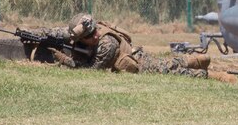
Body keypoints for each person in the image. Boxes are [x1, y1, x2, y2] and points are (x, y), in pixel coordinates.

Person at [51, 13, 215, 78]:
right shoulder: (88, 31)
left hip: (138, 64)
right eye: (90, 35)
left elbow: (93, 71)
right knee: (168, 64)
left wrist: (68, 61)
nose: (96, 35)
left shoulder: (106, 43)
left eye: (94, 32)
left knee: (173, 72)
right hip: (137, 56)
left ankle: (210, 75)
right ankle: (196, 60)